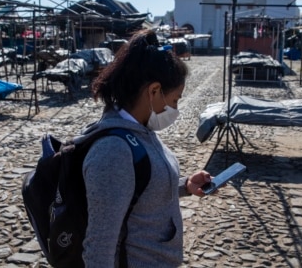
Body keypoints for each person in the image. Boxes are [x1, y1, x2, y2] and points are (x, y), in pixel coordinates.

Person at [78, 29, 211, 267]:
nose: (176, 108)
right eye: (175, 99)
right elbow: (99, 246)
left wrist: (185, 185)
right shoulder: (112, 152)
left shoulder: (140, 128)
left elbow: (138, 187)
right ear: (153, 90)